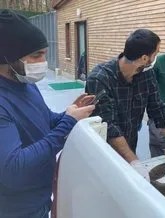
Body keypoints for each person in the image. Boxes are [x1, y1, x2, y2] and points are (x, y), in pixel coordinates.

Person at [0, 10, 95, 218]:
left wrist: (68, 114)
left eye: (44, 53)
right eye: (36, 55)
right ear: (8, 57)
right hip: (18, 210)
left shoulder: (24, 82)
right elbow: (13, 168)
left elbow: (44, 120)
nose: (44, 61)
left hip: (40, 197)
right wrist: (68, 123)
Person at [85, 29, 165, 181]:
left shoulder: (146, 73)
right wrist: (135, 161)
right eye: (156, 53)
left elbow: (158, 108)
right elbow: (108, 125)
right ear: (144, 58)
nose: (157, 56)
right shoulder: (99, 78)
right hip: (104, 152)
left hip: (129, 145)